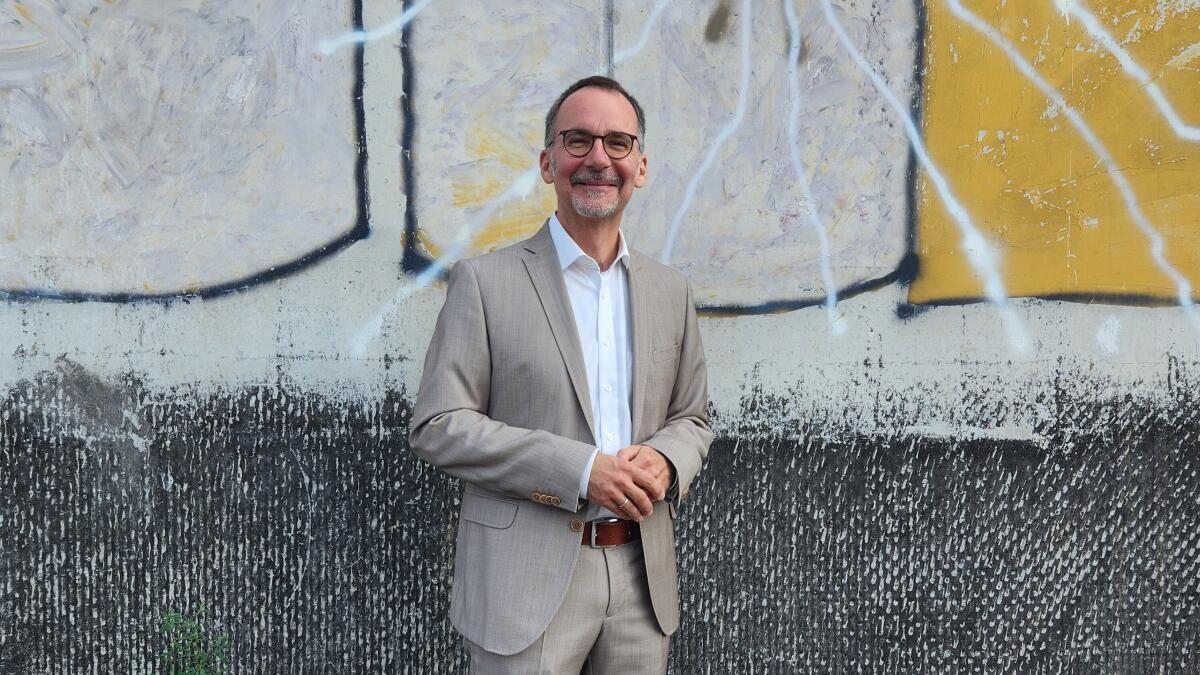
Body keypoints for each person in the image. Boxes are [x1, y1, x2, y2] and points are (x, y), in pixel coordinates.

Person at [409, 75, 711, 674]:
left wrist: (667, 458)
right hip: (523, 585)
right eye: (578, 140)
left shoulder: (670, 290)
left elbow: (693, 418)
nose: (598, 158)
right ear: (548, 163)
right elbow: (438, 425)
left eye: (618, 143)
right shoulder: (485, 283)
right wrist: (579, 471)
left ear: (641, 167)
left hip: (642, 583)